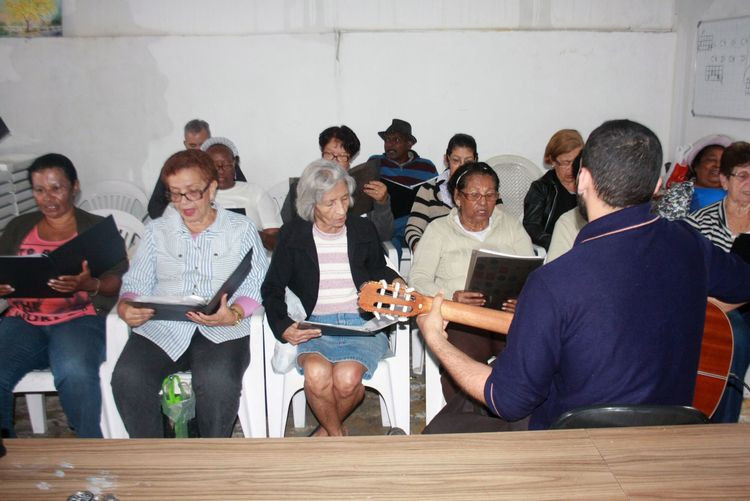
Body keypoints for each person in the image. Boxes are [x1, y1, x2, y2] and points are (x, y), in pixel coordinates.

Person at [418, 119, 750, 433]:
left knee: (441, 431)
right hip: (669, 428)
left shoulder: (554, 282)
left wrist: (434, 338)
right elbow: (742, 284)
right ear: (658, 186)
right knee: (463, 406)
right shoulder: (691, 245)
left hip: (574, 439)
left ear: (583, 180)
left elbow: (508, 400)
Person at [112, 149, 268, 438]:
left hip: (222, 328)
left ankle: (209, 458)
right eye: (175, 194)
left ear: (211, 188)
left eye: (192, 193)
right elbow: (137, 280)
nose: (183, 202)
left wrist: (233, 313)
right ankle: (152, 458)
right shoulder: (157, 231)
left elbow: (257, 281)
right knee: (128, 378)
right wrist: (126, 307)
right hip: (163, 327)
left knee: (217, 381)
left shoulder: (240, 229)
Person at [262, 160, 401, 437]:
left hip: (361, 324)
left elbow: (378, 269)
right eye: (330, 204)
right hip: (315, 325)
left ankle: (324, 434)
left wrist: (395, 279)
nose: (341, 210)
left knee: (347, 380)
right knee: (316, 376)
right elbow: (272, 288)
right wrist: (283, 325)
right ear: (311, 205)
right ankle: (336, 435)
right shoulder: (293, 235)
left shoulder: (362, 230)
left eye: (344, 199)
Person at [0, 153, 128, 438]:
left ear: (74, 187)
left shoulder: (95, 229)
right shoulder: (18, 228)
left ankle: (87, 444)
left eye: (56, 188)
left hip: (79, 319)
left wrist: (89, 283)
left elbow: (118, 281)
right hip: (24, 320)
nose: (48, 198)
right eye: (39, 190)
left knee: (74, 371)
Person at [409, 162, 534, 401]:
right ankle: (468, 424)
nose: (484, 203)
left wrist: (522, 299)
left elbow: (533, 273)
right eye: (474, 195)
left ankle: (511, 415)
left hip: (506, 316)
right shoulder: (438, 230)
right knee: (460, 362)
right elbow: (418, 279)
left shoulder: (510, 226)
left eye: (490, 195)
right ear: (457, 197)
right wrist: (451, 297)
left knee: (530, 357)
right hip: (461, 318)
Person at [687, 141, 750, 423]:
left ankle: (724, 423)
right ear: (725, 180)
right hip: (707, 306)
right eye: (742, 175)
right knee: (728, 327)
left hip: (736, 307)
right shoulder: (698, 223)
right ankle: (704, 418)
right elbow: (688, 276)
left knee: (734, 326)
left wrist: (722, 307)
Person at [281, 125, 393, 241]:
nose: (334, 161)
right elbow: (286, 232)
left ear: (350, 161)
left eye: (342, 156)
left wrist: (382, 204)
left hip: (355, 252)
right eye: (329, 154)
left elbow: (383, 235)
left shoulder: (365, 188)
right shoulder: (301, 188)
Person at [351, 119, 437, 256]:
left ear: (409, 144)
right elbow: (365, 197)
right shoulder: (375, 163)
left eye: (396, 140)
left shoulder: (427, 166)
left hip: (417, 223)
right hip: (388, 224)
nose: (389, 145)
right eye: (386, 140)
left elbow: (435, 199)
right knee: (389, 247)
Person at [146, 119, 250, 220]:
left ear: (210, 140)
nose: (198, 150)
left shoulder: (225, 164)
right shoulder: (174, 168)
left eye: (202, 144)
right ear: (185, 144)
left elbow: (245, 194)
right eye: (193, 145)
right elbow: (154, 209)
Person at [201, 137, 282, 251]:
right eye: (214, 165)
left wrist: (249, 232)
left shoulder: (255, 192)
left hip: (253, 263)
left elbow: (276, 243)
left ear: (234, 164)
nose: (220, 170)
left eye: (225, 164)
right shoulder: (198, 197)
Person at [405, 133, 479, 252]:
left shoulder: (486, 191)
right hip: (439, 253)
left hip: (474, 253)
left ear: (475, 160)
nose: (462, 167)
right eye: (456, 160)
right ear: (446, 159)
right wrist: (419, 247)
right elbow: (413, 228)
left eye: (468, 162)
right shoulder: (428, 190)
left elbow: (503, 224)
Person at [522, 129, 584, 250]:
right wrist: (559, 244)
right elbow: (531, 227)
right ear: (553, 161)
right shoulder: (541, 188)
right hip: (556, 249)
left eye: (576, 162)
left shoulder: (589, 185)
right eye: (566, 163)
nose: (572, 168)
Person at [655, 135, 733, 220]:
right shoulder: (681, 192)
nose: (718, 165)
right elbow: (669, 226)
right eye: (711, 160)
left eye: (723, 161)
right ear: (696, 165)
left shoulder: (735, 190)